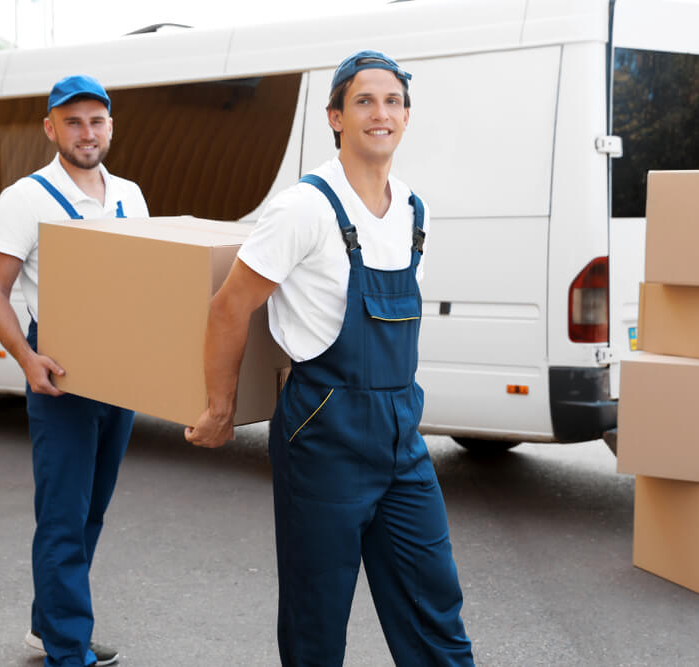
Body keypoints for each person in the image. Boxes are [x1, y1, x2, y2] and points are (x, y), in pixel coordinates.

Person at [185, 50, 475, 665]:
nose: (381, 113)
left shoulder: (414, 209)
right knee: (317, 620)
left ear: (406, 116)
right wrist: (220, 410)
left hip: (401, 435)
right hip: (323, 432)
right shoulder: (303, 208)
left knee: (435, 608)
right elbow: (228, 308)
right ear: (336, 117)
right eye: (364, 101)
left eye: (393, 101)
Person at [0, 74, 148, 667]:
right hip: (59, 368)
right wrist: (27, 361)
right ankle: (67, 651)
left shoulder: (130, 195)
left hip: (121, 369)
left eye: (96, 120)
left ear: (111, 126)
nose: (86, 132)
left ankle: (50, 627)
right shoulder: (25, 198)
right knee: (62, 515)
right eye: (72, 121)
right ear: (50, 128)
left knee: (91, 510)